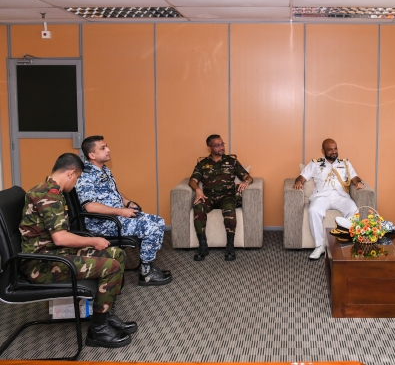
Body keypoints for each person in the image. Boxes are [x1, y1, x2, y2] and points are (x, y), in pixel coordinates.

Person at [19, 153, 136, 348]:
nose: (76, 183)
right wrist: (93, 241)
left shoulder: (51, 190)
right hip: (42, 263)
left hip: (55, 253)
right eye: (77, 178)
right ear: (71, 173)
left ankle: (106, 315)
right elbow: (60, 237)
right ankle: (97, 330)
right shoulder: (48, 195)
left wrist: (91, 242)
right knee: (111, 266)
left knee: (118, 254)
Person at [75, 136, 172, 286]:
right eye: (103, 148)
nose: (108, 150)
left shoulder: (104, 170)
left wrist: (128, 203)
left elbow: (115, 193)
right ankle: (146, 273)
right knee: (151, 227)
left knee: (158, 221)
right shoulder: (86, 176)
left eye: (107, 146)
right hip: (104, 223)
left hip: (117, 217)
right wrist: (121, 212)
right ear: (92, 155)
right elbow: (90, 206)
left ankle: (148, 264)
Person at [294, 138, 365, 260]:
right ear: (323, 151)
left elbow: (355, 177)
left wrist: (358, 183)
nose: (334, 151)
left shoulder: (345, 163)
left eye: (335, 148)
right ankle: (319, 246)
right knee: (313, 210)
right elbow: (302, 177)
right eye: (330, 149)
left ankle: (346, 244)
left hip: (340, 196)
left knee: (354, 210)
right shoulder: (315, 163)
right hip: (322, 196)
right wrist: (298, 182)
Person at [189, 134, 253, 262]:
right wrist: (198, 190)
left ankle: (230, 246)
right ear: (209, 148)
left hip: (227, 196)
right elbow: (192, 181)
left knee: (229, 208)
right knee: (198, 206)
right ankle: (203, 246)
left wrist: (246, 182)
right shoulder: (203, 164)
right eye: (217, 145)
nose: (221, 147)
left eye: (222, 144)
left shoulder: (232, 161)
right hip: (209, 196)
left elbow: (248, 177)